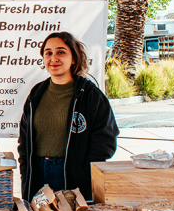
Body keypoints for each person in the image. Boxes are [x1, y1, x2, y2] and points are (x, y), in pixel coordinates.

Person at [17, 31, 119, 201]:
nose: (53, 58)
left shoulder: (90, 95)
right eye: (48, 53)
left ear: (74, 58)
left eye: (61, 52)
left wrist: (84, 172)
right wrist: (26, 172)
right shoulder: (36, 93)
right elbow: (24, 141)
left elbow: (105, 141)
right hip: (37, 175)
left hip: (73, 177)